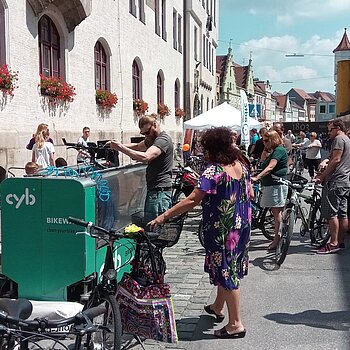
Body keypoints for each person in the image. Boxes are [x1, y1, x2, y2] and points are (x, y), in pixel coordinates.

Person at [148, 127, 250, 339]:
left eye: (205, 148)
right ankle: (217, 306)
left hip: (222, 229)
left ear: (213, 149)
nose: (203, 152)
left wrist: (163, 217)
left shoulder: (214, 171)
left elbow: (193, 199)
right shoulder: (240, 165)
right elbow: (247, 192)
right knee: (228, 266)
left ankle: (235, 324)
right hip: (240, 227)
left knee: (227, 272)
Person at [108, 115, 173, 222]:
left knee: (153, 230)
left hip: (159, 192)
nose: (146, 136)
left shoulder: (162, 140)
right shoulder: (152, 139)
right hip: (154, 190)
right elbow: (138, 146)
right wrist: (115, 145)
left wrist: (120, 148)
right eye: (143, 134)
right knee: (151, 228)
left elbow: (146, 156)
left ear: (155, 125)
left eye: (147, 132)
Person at [315, 119, 350, 254]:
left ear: (338, 128)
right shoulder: (347, 139)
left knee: (332, 213)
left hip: (335, 181)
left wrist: (322, 176)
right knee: (343, 213)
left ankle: (333, 243)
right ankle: (340, 242)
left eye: (330, 130)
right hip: (345, 181)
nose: (328, 133)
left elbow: (336, 159)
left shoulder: (339, 140)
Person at [251, 130, 288, 250]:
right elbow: (263, 164)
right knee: (275, 212)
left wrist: (257, 177)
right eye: (263, 140)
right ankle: (278, 237)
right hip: (270, 185)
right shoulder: (272, 151)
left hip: (276, 185)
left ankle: (277, 240)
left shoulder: (279, 150)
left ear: (273, 139)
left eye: (266, 140)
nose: (264, 143)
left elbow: (271, 166)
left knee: (277, 213)